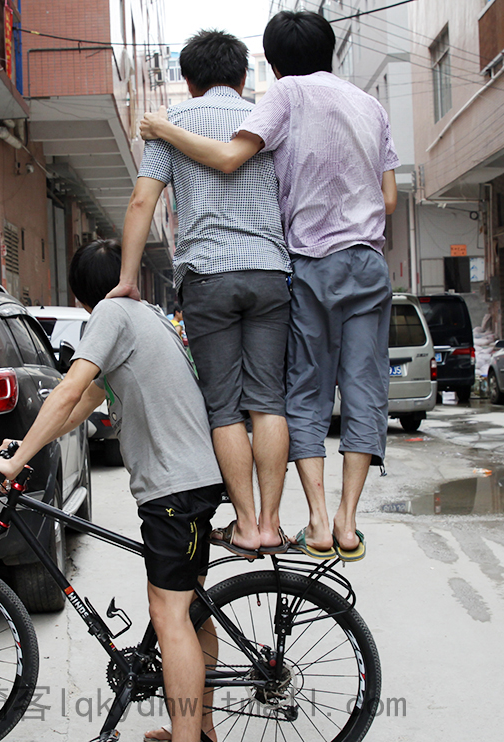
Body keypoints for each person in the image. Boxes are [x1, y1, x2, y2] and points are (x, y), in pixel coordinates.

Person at [138, 10, 400, 562]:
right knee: (360, 389)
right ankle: (347, 522)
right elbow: (390, 198)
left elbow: (232, 158)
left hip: (302, 264)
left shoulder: (283, 98)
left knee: (296, 392)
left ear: (275, 65)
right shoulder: (371, 105)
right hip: (361, 265)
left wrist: (163, 127)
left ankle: (303, 521)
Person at [0, 239, 223, 742]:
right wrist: (25, 445)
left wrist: (13, 465)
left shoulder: (112, 313)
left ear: (77, 294)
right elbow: (82, 403)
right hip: (187, 482)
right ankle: (199, 730)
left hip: (173, 490)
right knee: (193, 610)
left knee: (172, 617)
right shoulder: (146, 317)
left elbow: (66, 388)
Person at [109, 30, 292, 558]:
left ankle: (247, 524)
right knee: (268, 401)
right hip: (267, 272)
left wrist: (127, 279)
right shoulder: (264, 118)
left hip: (207, 279)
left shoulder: (171, 124)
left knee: (224, 409)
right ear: (241, 77)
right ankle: (273, 524)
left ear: (188, 81)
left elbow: (142, 203)